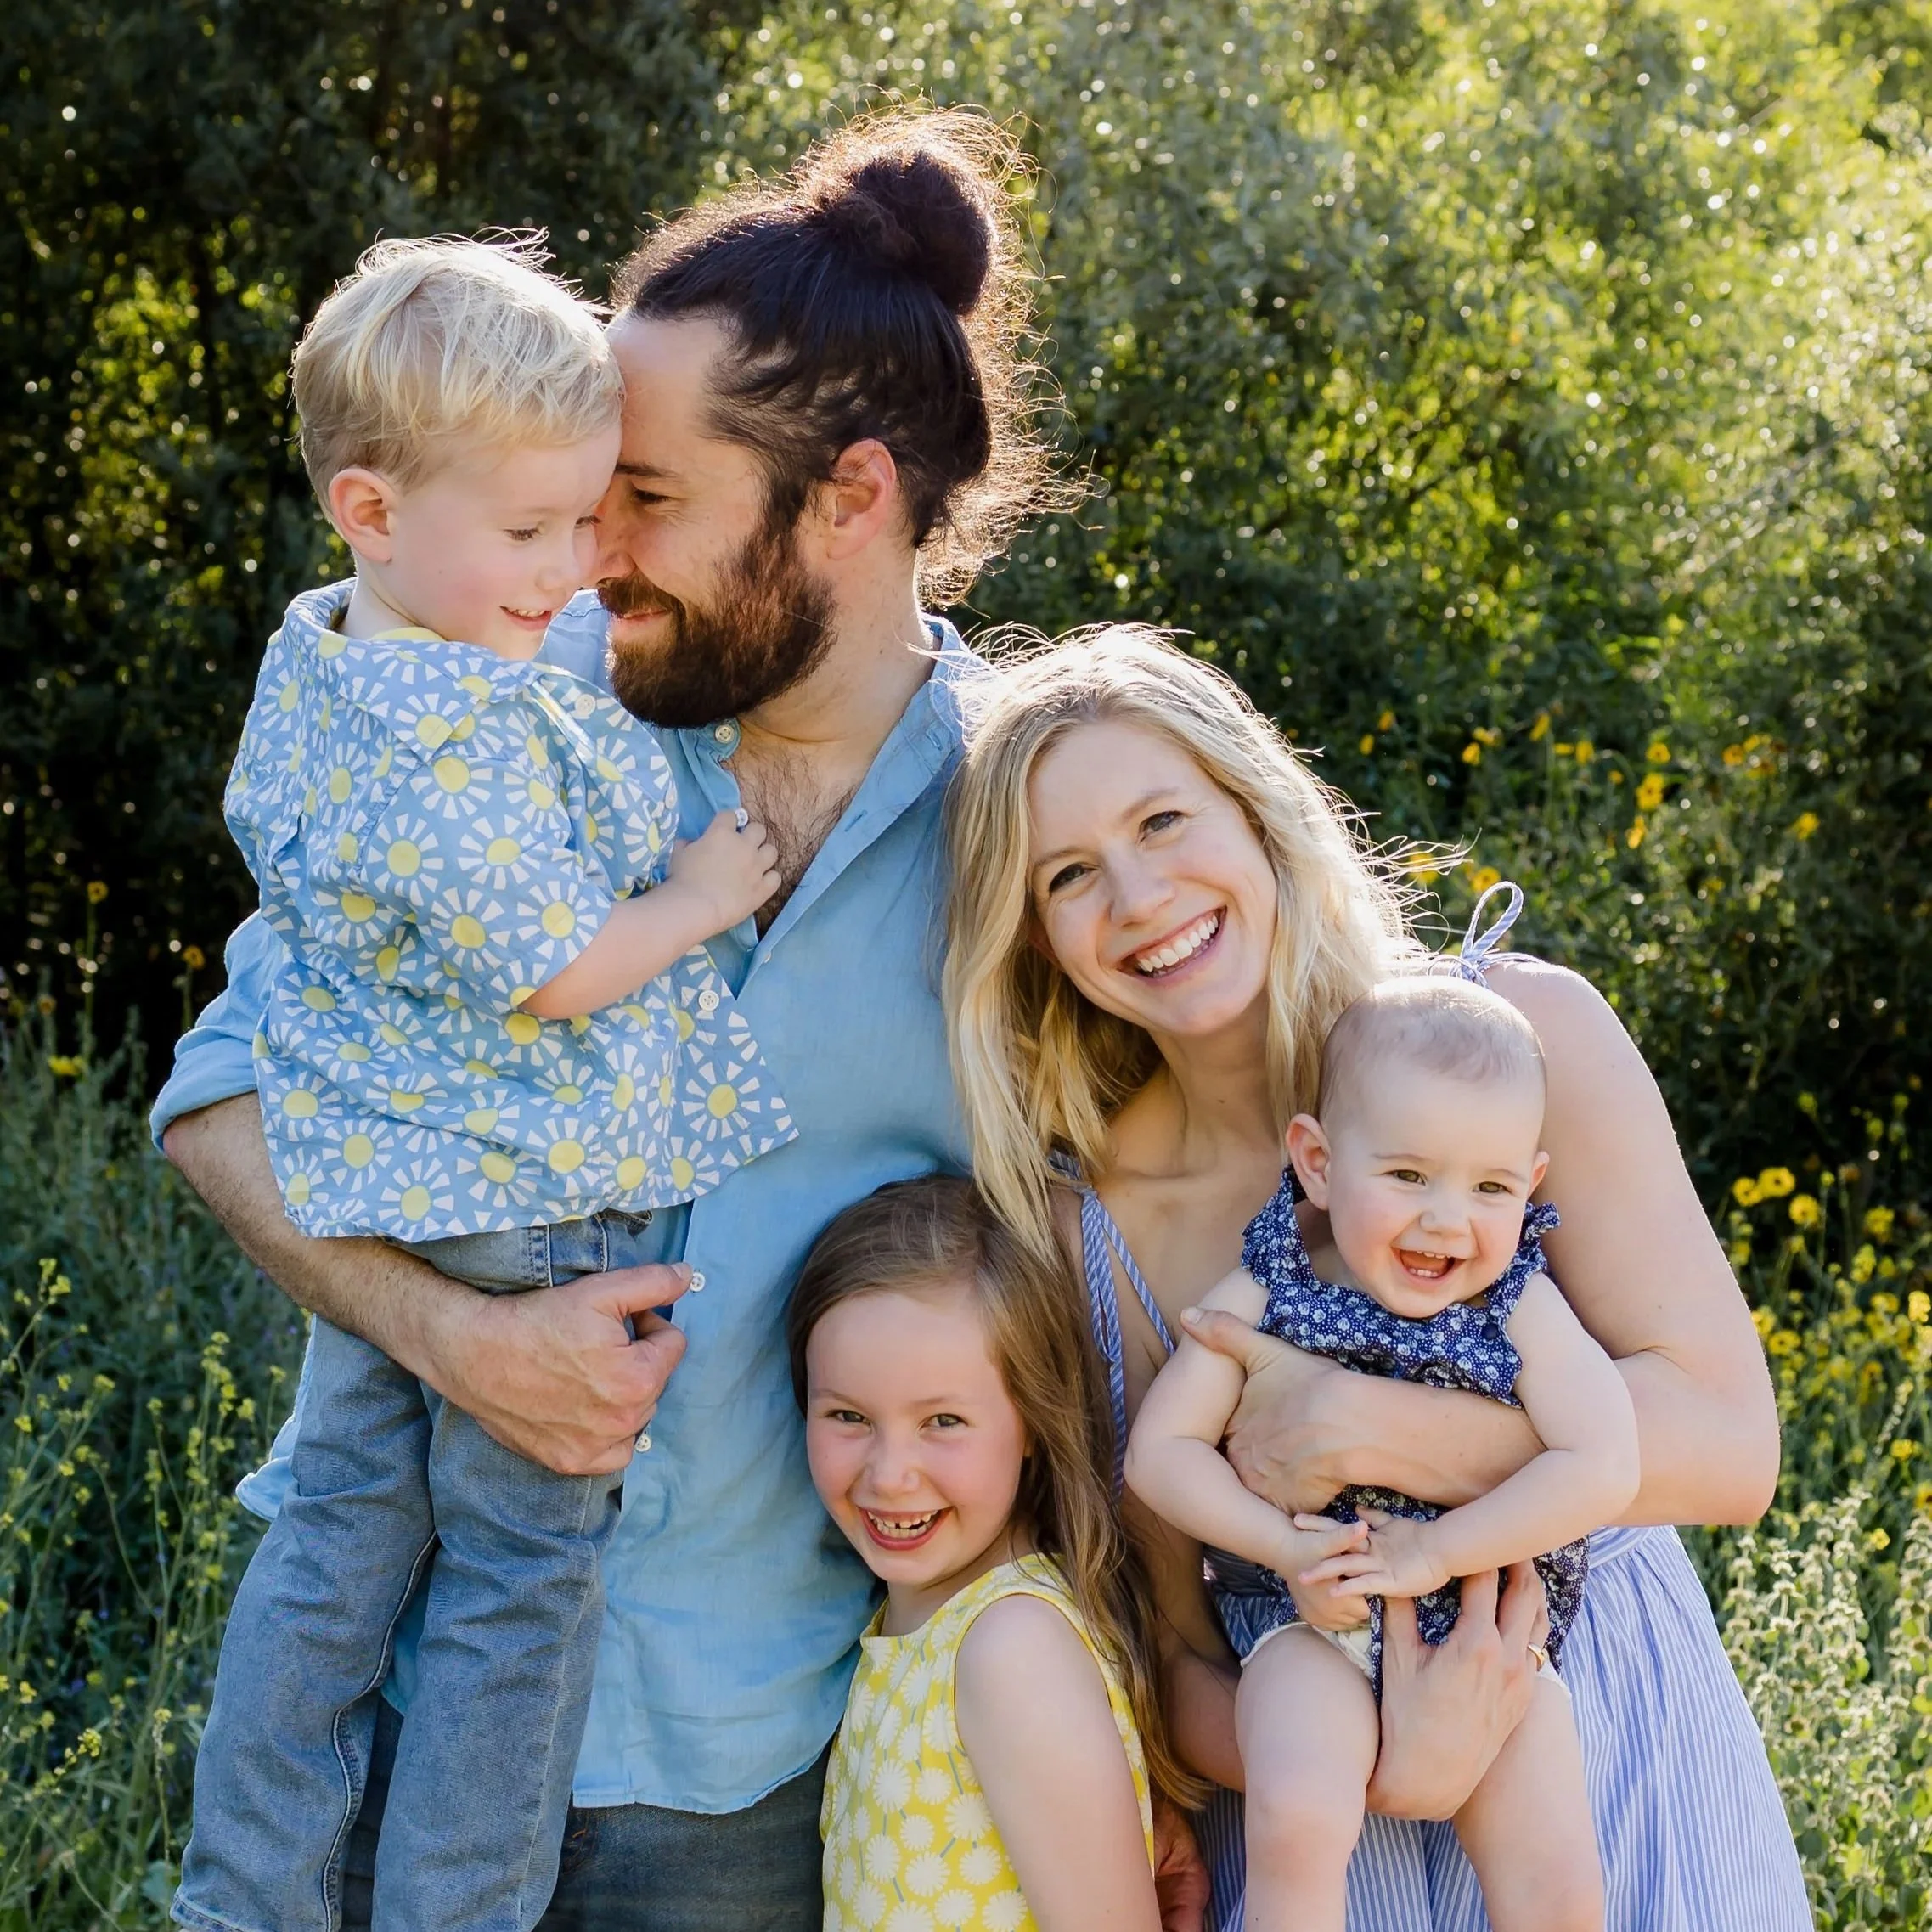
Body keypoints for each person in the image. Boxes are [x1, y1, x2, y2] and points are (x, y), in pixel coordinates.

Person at [154, 107, 1073, 1931]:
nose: (592, 561)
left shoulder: (1033, 830)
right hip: (400, 1721)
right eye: (574, 507)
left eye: (642, 503)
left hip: (745, 1780)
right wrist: (453, 1338)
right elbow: (215, 1097)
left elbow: (1142, 1260)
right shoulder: (492, 715)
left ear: (852, 497)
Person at [944, 626, 1811, 1929]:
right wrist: (1380, 1759)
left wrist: (1378, 1430)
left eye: (1164, 819)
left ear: (1256, 803)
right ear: (1033, 933)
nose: (1137, 895)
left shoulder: (1516, 1039)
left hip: (1604, 1753)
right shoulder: (1091, 1233)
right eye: (1070, 873)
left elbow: (1731, 1444)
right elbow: (1177, 1654)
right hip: (1328, 1837)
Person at [177, 235, 791, 1932]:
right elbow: (559, 968)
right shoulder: (452, 734)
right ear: (371, 507)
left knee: (334, 1553)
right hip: (521, 1209)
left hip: (377, 1186)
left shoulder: (326, 660)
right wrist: (699, 893)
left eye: (591, 517)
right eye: (532, 533)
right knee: (516, 1597)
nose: (577, 570)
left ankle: (248, 1900)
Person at [1127, 977, 1640, 1932]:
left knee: (1558, 1880)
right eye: (1408, 1176)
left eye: (1488, 1187)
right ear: (1318, 1162)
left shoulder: (1515, 1298)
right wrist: (1286, 1550)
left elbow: (1605, 1461)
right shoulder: (1268, 1286)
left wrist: (1442, 1552)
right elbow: (1161, 1455)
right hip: (1310, 1617)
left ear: (1528, 1188)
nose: (1448, 1220)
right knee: (1296, 1817)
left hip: (1493, 1643)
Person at [790, 1174, 1190, 1929]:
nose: (889, 1474)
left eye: (942, 1420)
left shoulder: (1011, 1648)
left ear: (1033, 1420)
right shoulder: (915, 1629)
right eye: (848, 1415)